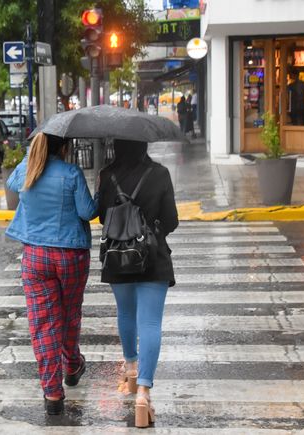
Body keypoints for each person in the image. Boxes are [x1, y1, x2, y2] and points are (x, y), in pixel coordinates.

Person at [5, 132, 97, 416]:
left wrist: (30, 153)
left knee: (43, 324)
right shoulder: (70, 173)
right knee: (69, 314)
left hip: (35, 257)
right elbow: (88, 212)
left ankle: (53, 394)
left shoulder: (26, 169)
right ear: (65, 146)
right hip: (70, 255)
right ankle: (71, 366)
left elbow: (11, 184)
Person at [96, 139, 178, 428]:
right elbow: (172, 220)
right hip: (153, 256)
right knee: (151, 324)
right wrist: (150, 229)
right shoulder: (160, 173)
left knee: (126, 313)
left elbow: (101, 216)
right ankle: (143, 393)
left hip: (119, 257)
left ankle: (130, 367)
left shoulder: (107, 175)